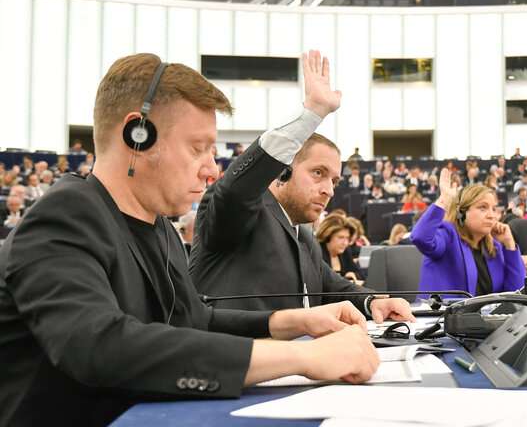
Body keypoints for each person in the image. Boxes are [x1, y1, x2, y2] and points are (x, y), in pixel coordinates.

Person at [0, 53, 381, 426]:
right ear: (138, 136)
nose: (211, 169)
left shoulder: (161, 229)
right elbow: (99, 346)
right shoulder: (63, 216)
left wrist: (297, 321)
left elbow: (196, 320)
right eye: (197, 148)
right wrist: (306, 358)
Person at [189, 50, 411, 322]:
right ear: (282, 171)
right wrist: (312, 113)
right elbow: (236, 189)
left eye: (334, 180)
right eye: (319, 173)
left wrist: (372, 301)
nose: (329, 190)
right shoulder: (242, 212)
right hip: (235, 360)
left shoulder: (304, 235)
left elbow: (330, 284)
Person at [412, 168, 525, 296]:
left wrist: (510, 244)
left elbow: (517, 291)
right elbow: (419, 237)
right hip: (442, 315)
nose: (491, 215)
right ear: (462, 213)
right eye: (483, 207)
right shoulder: (448, 235)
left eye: (493, 209)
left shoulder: (495, 248)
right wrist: (445, 199)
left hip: (485, 316)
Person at [317, 214, 364, 286]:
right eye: (341, 237)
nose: (345, 243)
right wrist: (347, 281)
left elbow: (360, 273)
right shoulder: (317, 251)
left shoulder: (345, 251)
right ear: (327, 236)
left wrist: (353, 274)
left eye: (347, 238)